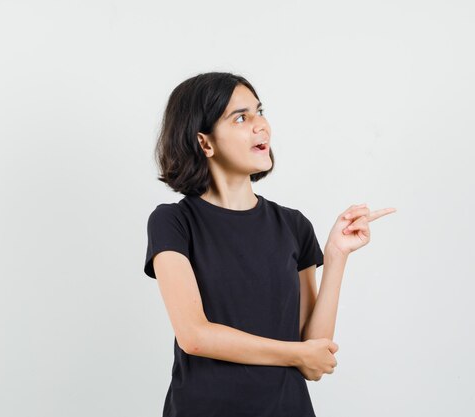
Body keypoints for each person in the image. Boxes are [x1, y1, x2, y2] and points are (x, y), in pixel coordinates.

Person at [143, 71, 396, 417]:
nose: (261, 126)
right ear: (205, 142)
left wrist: (336, 256)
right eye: (241, 117)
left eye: (259, 112)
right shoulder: (173, 222)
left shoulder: (293, 225)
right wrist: (293, 354)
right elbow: (194, 335)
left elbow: (313, 361)